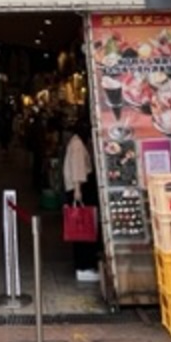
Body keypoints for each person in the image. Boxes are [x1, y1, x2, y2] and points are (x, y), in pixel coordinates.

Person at [62, 117, 101, 282]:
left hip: (77, 190)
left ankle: (84, 264)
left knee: (81, 228)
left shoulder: (75, 142)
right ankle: (84, 266)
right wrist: (78, 192)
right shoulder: (78, 144)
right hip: (80, 191)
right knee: (84, 228)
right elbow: (78, 169)